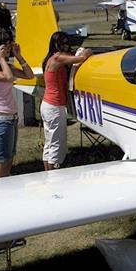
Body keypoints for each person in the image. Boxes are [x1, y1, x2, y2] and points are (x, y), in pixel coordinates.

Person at [0, 30, 34, 178]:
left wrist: (19, 57)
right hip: (1, 121)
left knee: (9, 162)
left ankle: (5, 193)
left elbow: (29, 75)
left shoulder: (5, 66)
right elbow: (8, 78)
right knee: (2, 166)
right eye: (5, 47)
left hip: (11, 119)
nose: (8, 50)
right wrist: (0, 58)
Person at [40, 31, 92, 170]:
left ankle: (47, 172)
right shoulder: (58, 58)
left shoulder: (52, 58)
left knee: (50, 143)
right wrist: (86, 50)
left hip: (48, 104)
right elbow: (83, 57)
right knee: (57, 144)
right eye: (63, 42)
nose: (67, 45)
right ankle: (54, 175)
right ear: (57, 44)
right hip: (54, 106)